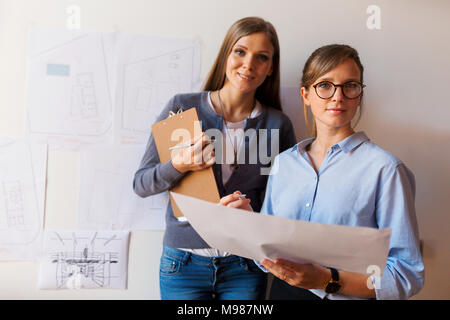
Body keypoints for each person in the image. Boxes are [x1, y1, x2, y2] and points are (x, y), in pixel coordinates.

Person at [221, 44, 424, 300]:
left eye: (350, 86)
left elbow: (406, 275)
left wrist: (327, 280)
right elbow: (271, 253)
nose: (338, 97)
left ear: (359, 95)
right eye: (325, 85)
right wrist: (248, 223)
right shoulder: (284, 163)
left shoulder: (386, 170)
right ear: (305, 95)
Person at [133, 16, 296, 300]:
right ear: (225, 55)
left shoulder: (277, 125)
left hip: (245, 266)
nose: (248, 64)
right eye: (240, 51)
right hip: (182, 265)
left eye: (262, 57)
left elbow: (284, 209)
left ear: (271, 68)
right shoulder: (182, 108)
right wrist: (179, 165)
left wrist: (252, 215)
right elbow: (141, 184)